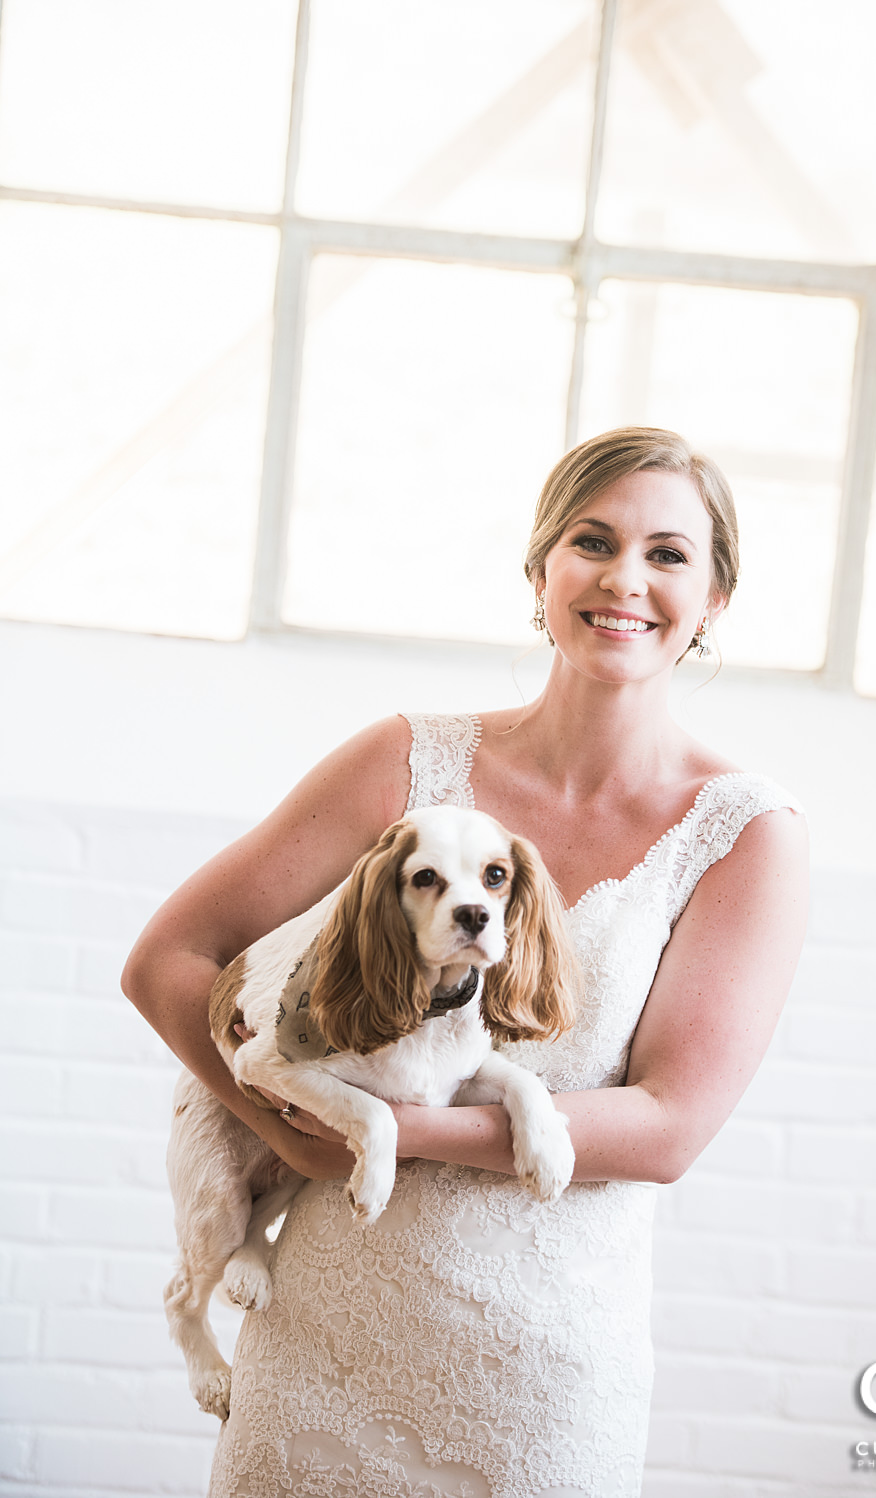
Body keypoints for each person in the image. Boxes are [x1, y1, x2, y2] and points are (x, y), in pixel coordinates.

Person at [123, 426, 808, 1498]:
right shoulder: (406, 762)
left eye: (669, 553)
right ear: (540, 571)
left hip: (546, 1388)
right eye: (593, 540)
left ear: (715, 595)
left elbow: (670, 1123)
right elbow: (168, 960)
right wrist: (277, 1124)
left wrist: (383, 1131)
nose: (626, 577)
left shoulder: (742, 833)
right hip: (323, 1354)